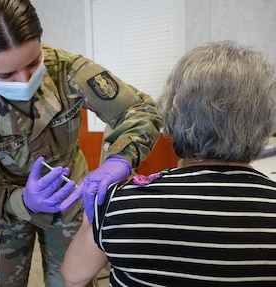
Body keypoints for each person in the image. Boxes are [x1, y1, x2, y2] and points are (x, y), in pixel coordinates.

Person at [0, 0, 162, 286]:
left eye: (33, 63)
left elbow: (141, 110)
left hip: (70, 199)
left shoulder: (68, 70)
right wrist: (24, 200)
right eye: (6, 75)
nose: (25, 80)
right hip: (6, 214)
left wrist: (120, 159)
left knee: (74, 280)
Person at [61, 40, 276, 287]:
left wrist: (95, 218)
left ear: (173, 117)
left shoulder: (121, 205)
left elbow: (73, 277)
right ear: (264, 124)